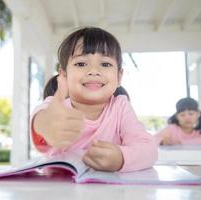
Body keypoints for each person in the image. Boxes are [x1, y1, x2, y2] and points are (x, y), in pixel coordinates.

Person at [31, 27, 158, 172]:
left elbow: (149, 149)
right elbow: (40, 119)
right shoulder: (56, 106)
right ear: (63, 76)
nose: (93, 71)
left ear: (119, 77)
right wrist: (45, 124)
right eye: (81, 64)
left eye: (105, 64)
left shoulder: (120, 107)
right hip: (61, 191)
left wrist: (121, 158)